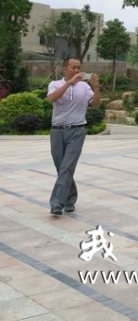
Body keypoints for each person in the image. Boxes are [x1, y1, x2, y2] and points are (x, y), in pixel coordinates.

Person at [47, 57, 101, 215]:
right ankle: (70, 199)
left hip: (77, 131)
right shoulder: (55, 84)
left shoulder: (84, 87)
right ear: (65, 69)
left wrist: (96, 88)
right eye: (73, 67)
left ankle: (57, 204)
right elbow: (52, 98)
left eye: (79, 68)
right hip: (57, 131)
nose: (77, 70)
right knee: (61, 167)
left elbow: (95, 104)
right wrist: (70, 83)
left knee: (67, 167)